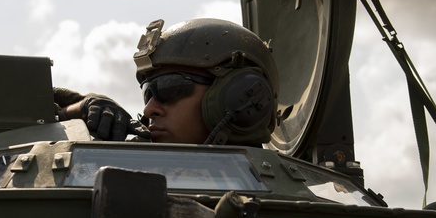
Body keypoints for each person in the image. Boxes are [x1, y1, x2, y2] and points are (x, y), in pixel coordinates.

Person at [57, 18, 279, 146]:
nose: (149, 109)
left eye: (169, 88)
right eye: (148, 92)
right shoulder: (122, 162)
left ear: (240, 92)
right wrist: (77, 110)